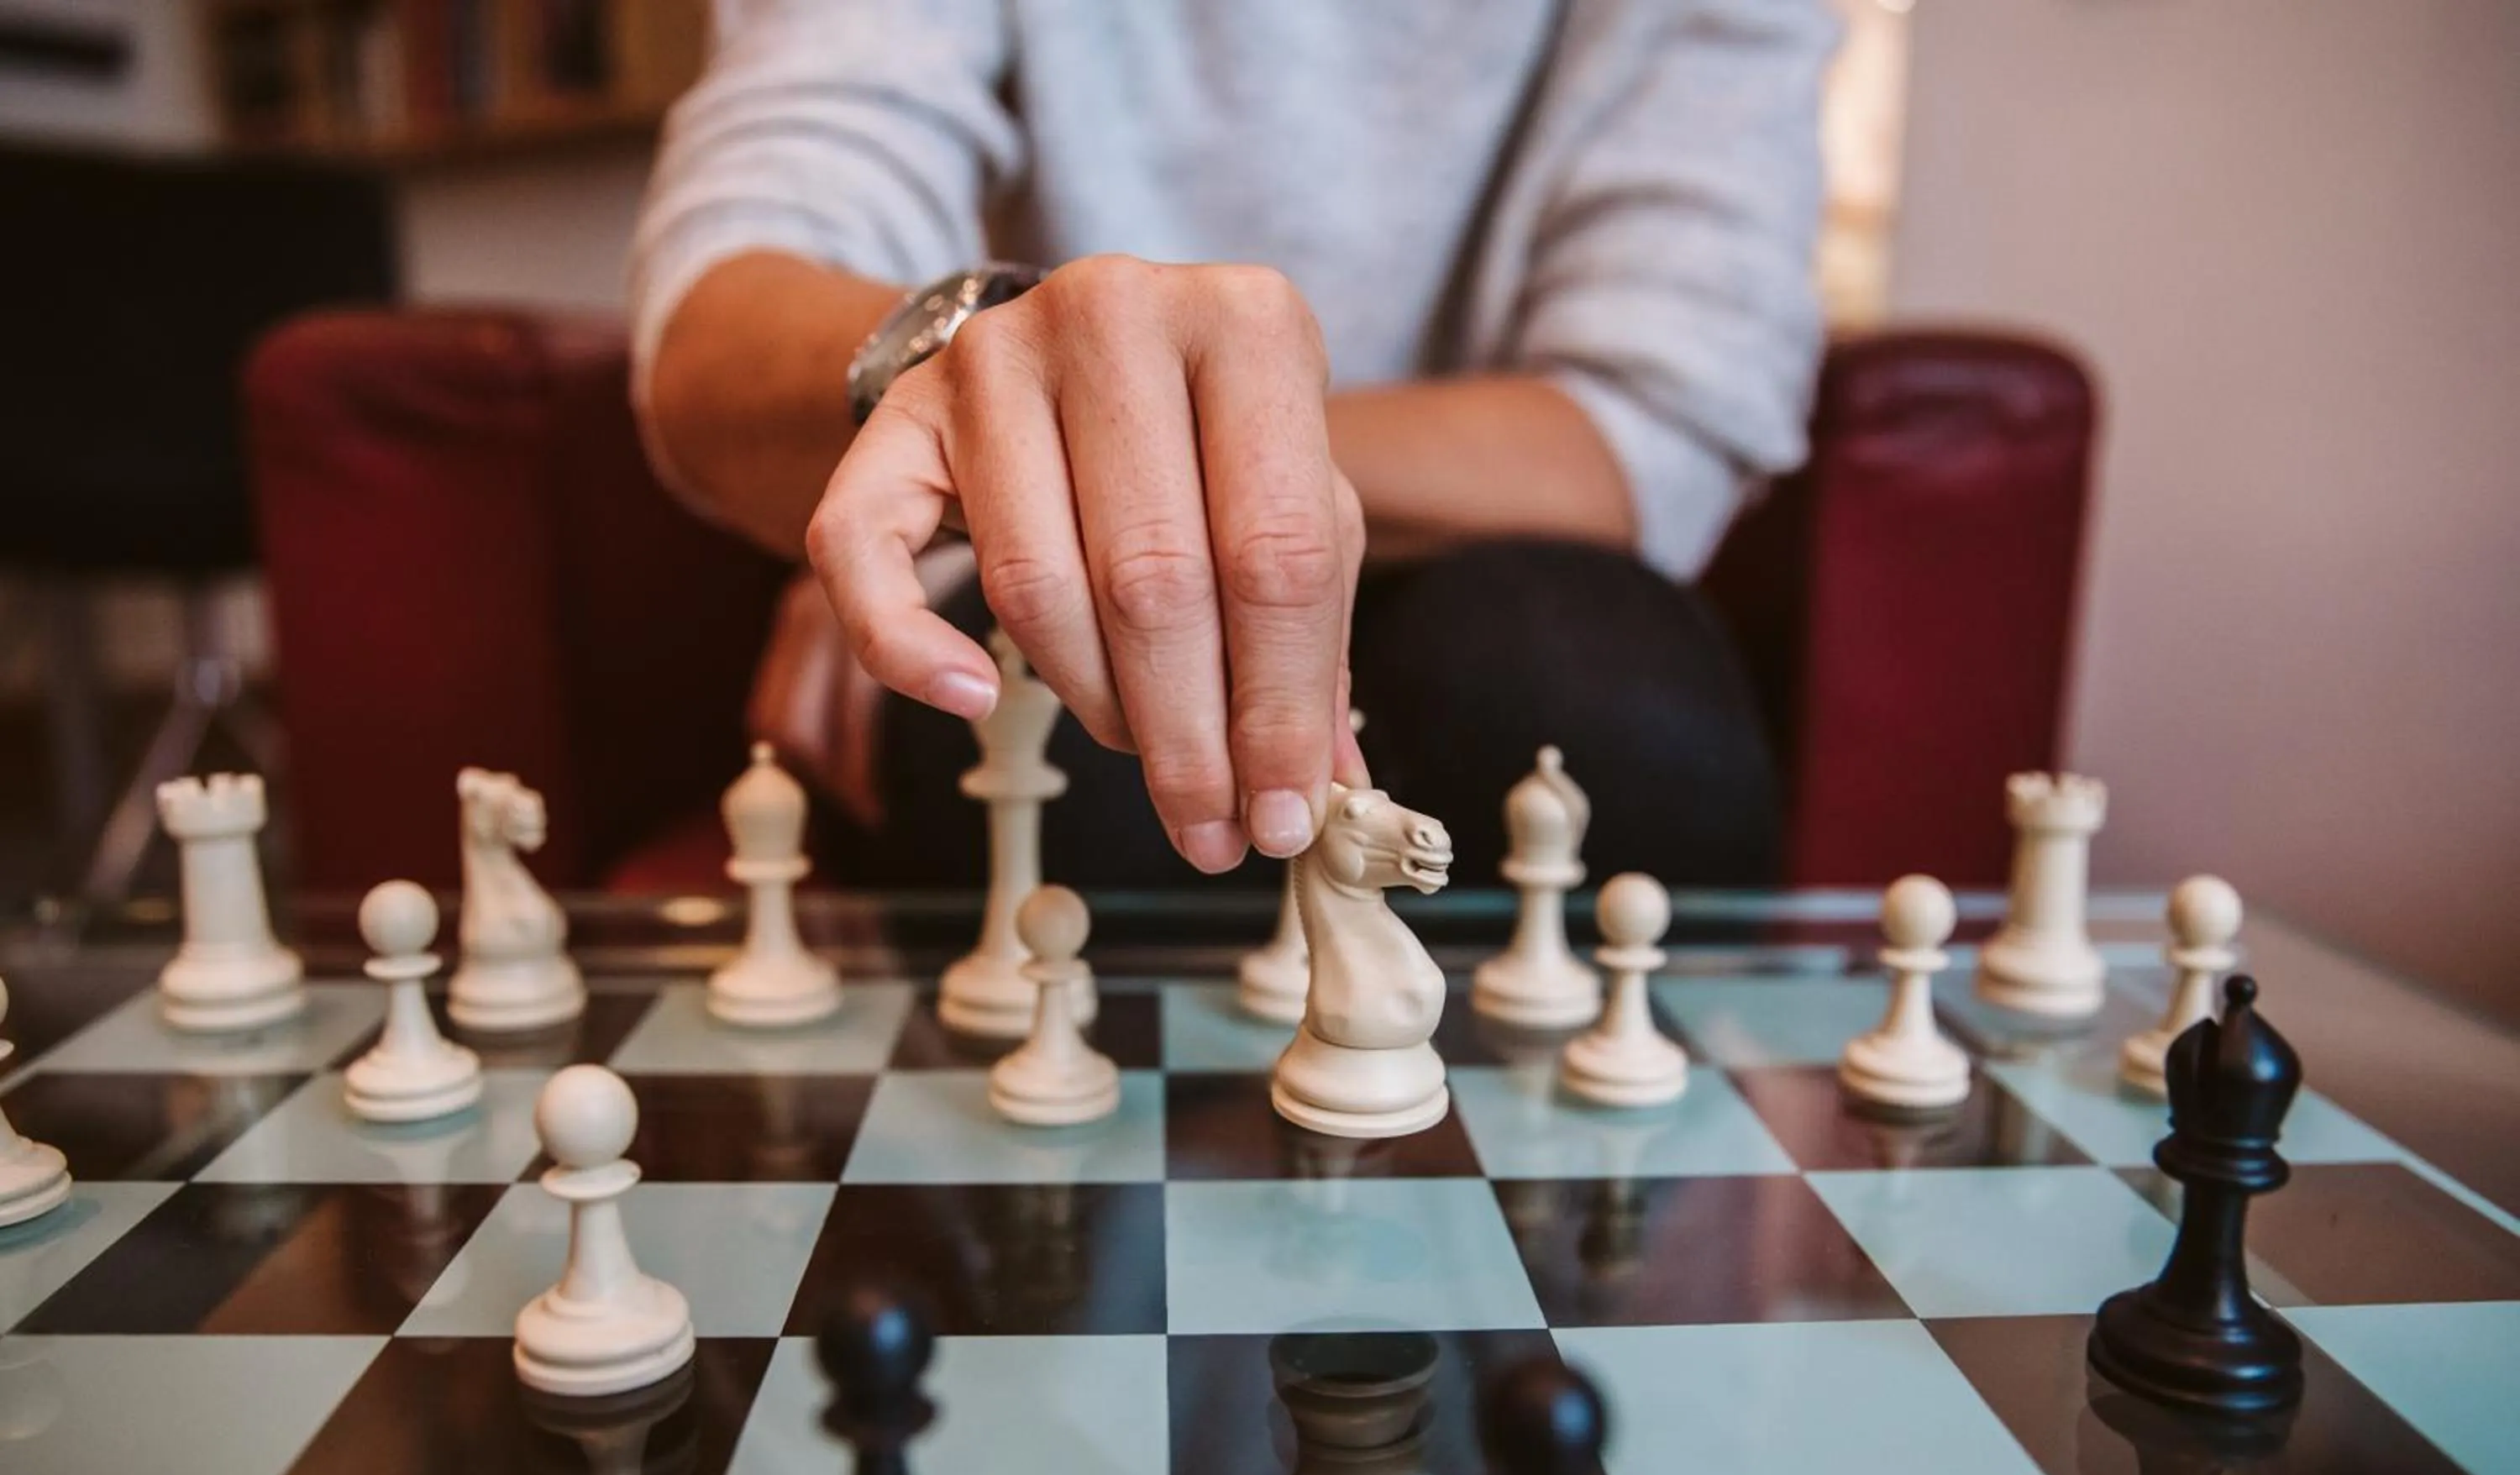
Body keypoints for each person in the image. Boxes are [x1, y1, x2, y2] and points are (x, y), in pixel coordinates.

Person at [632, 0, 1838, 887]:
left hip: (1505, 586)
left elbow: (1654, 422)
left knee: (1600, 703)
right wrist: (950, 383)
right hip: (1053, 597)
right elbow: (719, 310)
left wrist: (1096, 451)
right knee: (1072, 760)